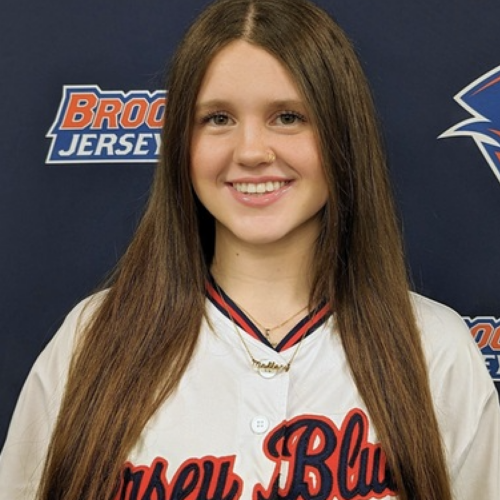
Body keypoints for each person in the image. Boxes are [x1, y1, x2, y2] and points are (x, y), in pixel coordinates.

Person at [1, 0, 499, 498]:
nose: (251, 151)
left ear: (341, 132)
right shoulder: (94, 337)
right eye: (218, 118)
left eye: (288, 116)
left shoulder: (433, 348)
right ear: (181, 142)